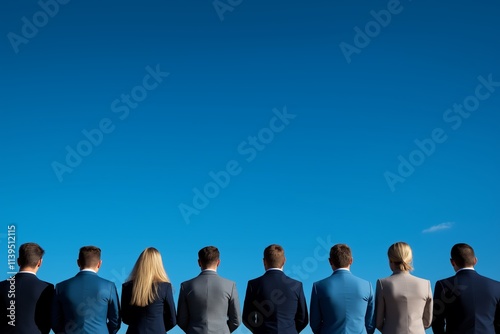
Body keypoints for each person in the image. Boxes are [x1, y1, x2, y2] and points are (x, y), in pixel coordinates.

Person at [432, 243, 500, 333]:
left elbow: (437, 322)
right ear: (475, 260)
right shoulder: (496, 286)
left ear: (452, 262)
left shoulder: (443, 285)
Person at [51, 245, 121, 334]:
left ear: (78, 262)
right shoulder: (109, 286)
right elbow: (115, 319)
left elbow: (55, 321)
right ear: (99, 263)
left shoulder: (61, 287)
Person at [242, 244, 308, 334]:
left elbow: (247, 318)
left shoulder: (254, 285)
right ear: (284, 261)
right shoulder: (296, 285)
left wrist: (259, 331)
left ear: (264, 261)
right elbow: (303, 318)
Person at [310, 244, 375, 334]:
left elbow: (314, 322)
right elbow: (370, 323)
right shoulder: (367, 286)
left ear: (330, 261)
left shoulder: (319, 286)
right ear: (351, 260)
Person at [177, 246, 241, 333]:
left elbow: (181, 320)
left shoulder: (186, 286)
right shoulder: (230, 286)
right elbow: (236, 320)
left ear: (199, 262)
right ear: (218, 262)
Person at [375, 242, 432, 334]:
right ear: (410, 259)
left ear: (390, 260)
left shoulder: (383, 284)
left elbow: (378, 322)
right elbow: (428, 321)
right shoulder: (425, 284)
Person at [0, 242, 54, 334]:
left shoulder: (1, 286)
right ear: (39, 262)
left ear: (18, 261)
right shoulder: (47, 288)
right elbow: (51, 319)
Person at [121, 247, 176, 333]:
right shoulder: (165, 287)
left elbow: (125, 317)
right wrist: (159, 327)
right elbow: (172, 319)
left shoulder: (127, 287)